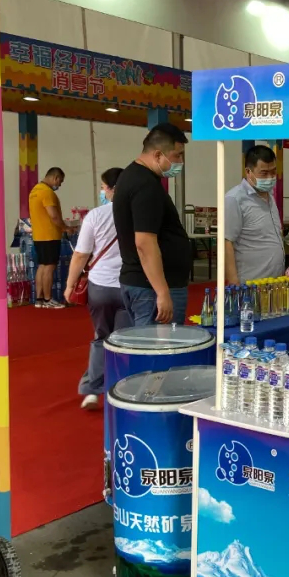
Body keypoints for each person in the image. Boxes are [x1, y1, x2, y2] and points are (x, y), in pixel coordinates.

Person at [113, 122, 192, 326]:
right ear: (158, 155)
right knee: (159, 344)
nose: (181, 162)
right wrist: (162, 292)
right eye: (177, 155)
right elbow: (145, 242)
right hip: (151, 288)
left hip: (146, 285)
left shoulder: (133, 176)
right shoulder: (145, 185)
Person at [65, 168, 129, 411]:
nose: (102, 191)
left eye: (103, 187)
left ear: (111, 189)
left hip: (100, 285)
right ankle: (122, 390)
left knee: (101, 337)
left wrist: (70, 285)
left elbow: (81, 254)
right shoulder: (136, 214)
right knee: (124, 341)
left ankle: (92, 390)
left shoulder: (95, 215)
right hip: (128, 285)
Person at [225, 144, 285, 284]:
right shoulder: (235, 199)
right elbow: (226, 243)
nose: (270, 177)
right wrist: (234, 283)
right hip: (250, 284)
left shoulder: (270, 196)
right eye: (264, 173)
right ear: (248, 171)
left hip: (275, 282)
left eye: (273, 172)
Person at [28, 166, 67, 308]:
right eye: (60, 182)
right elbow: (53, 215)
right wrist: (65, 228)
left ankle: (39, 299)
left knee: (42, 266)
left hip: (38, 236)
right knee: (50, 267)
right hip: (50, 235)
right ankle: (48, 299)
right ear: (55, 178)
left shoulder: (34, 191)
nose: (59, 185)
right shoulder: (47, 192)